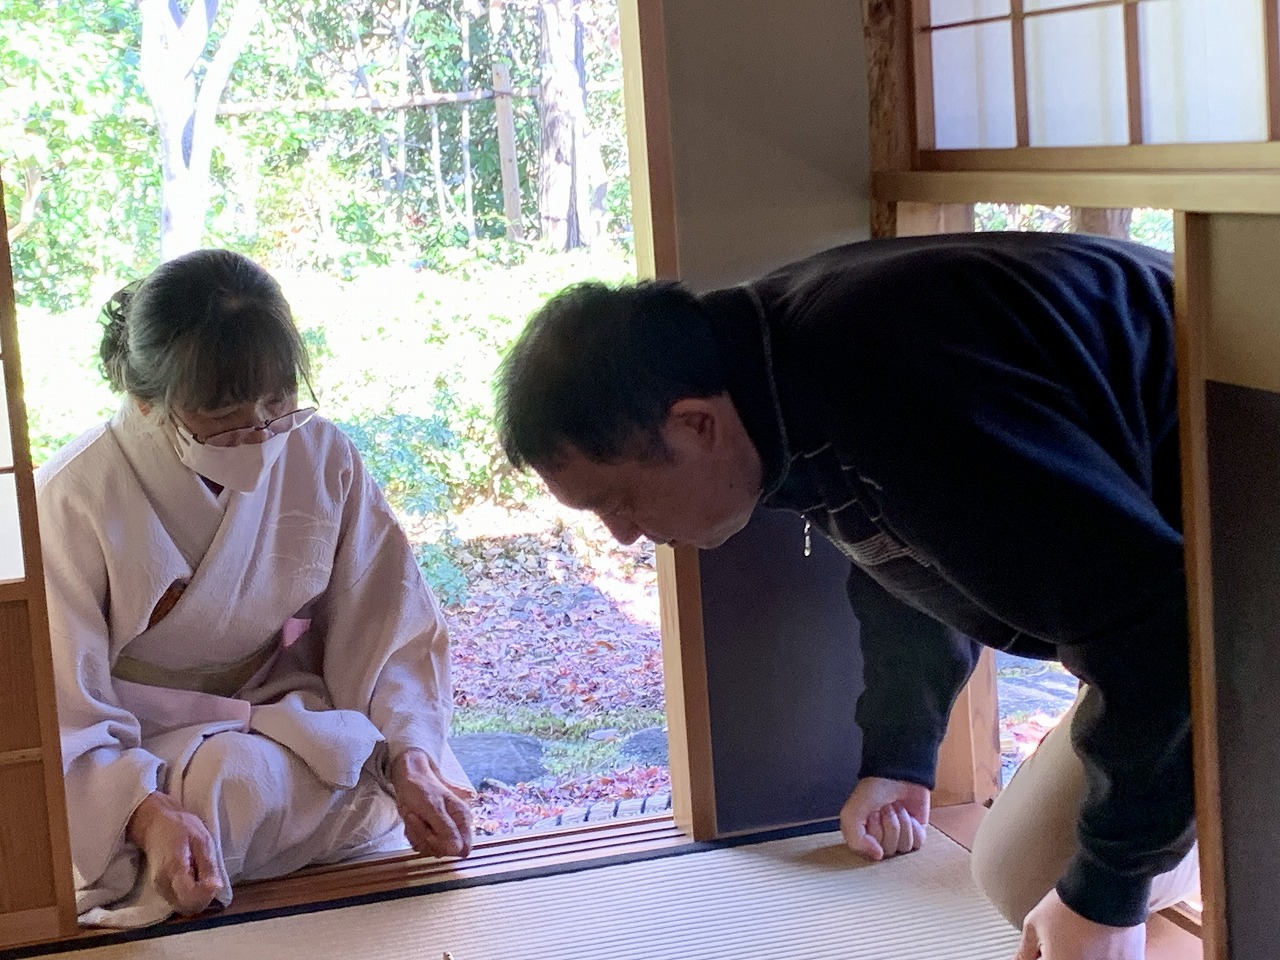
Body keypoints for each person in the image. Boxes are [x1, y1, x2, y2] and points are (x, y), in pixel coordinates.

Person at [494, 231, 1200, 960]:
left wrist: (1108, 898)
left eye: (618, 501)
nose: (621, 536)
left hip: (1233, 566)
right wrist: (901, 755)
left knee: (1063, 887)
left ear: (694, 424)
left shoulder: (894, 385)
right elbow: (900, 558)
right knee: (1028, 872)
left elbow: (1167, 626)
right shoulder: (768, 381)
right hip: (1164, 603)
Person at [37, 249, 474, 929]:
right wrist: (144, 812)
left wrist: (410, 757)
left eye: (278, 400)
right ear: (147, 400)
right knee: (221, 785)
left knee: (349, 761)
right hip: (143, 738)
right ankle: (166, 837)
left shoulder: (321, 454)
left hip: (277, 707)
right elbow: (60, 701)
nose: (260, 431)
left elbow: (385, 620)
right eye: (224, 413)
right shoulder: (74, 496)